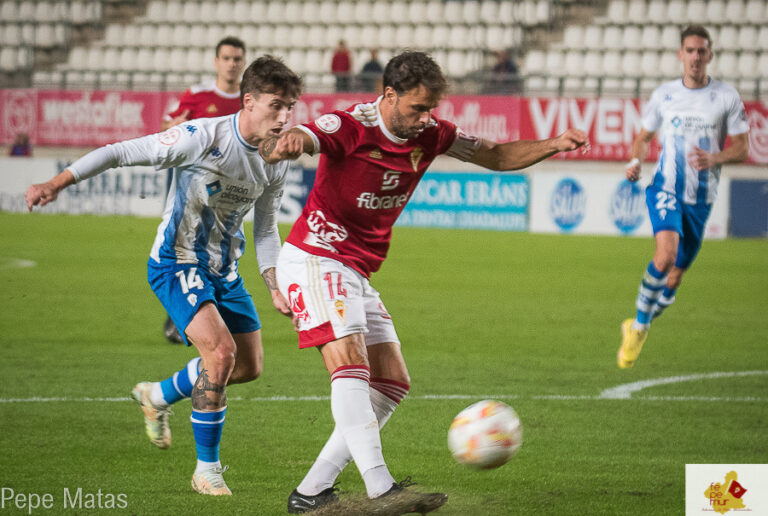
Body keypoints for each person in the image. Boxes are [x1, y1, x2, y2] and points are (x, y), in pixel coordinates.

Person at [258, 51, 588, 513]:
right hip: (316, 256)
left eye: (432, 108)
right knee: (350, 363)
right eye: (418, 108)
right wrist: (287, 141)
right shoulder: (351, 126)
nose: (426, 118)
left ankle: (311, 491)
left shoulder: (432, 134)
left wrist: (554, 143)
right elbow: (302, 137)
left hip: (355, 269)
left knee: (391, 382)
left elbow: (495, 155)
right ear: (389, 95)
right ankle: (381, 488)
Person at [25, 56, 303, 496]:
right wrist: (56, 183)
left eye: (290, 107)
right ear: (249, 101)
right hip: (177, 262)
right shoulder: (201, 137)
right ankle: (207, 470)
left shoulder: (276, 159)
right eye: (276, 105)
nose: (285, 117)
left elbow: (267, 230)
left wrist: (275, 285)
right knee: (221, 354)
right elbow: (119, 152)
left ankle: (156, 395)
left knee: (248, 367)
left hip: (224, 271)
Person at [617, 25, 750, 369]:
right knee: (665, 256)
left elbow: (742, 148)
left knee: (674, 278)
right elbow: (643, 138)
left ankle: (639, 322)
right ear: (680, 54)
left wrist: (715, 158)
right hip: (666, 188)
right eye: (690, 50)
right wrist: (635, 162)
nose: (695, 57)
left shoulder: (726, 97)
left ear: (710, 55)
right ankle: (640, 329)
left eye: (701, 51)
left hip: (701, 200)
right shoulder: (665, 95)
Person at [161, 36, 247, 344]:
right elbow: (168, 128)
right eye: (227, 58)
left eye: (237, 59)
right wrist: (173, 127)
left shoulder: (248, 99)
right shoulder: (197, 95)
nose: (232, 64)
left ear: (243, 62)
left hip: (230, 193)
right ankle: (181, 318)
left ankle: (202, 314)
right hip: (192, 188)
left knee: (219, 255)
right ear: (216, 62)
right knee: (184, 249)